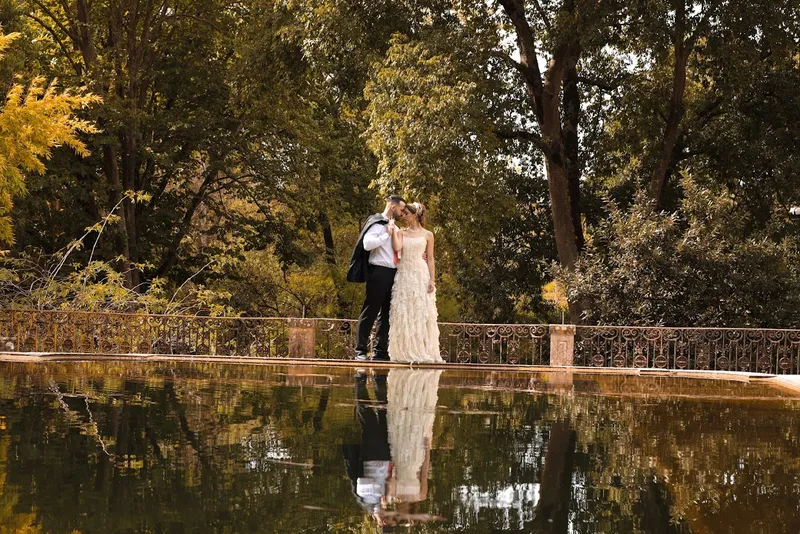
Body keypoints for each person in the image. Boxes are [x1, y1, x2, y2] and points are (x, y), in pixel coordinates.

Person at [348, 195, 407, 361]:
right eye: (401, 210)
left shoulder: (394, 225)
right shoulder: (377, 223)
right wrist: (385, 235)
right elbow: (367, 244)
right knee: (370, 310)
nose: (403, 213)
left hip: (392, 272)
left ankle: (380, 351)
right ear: (392, 207)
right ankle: (360, 351)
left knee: (387, 313)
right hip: (378, 271)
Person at [388, 202, 442, 363]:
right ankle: (404, 351)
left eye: (406, 213)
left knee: (420, 311)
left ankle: (422, 350)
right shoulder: (402, 233)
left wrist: (432, 279)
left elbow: (431, 258)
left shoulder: (428, 235)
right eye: (403, 213)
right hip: (404, 273)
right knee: (403, 311)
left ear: (415, 215)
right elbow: (397, 247)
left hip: (420, 273)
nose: (403, 216)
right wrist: (392, 232)